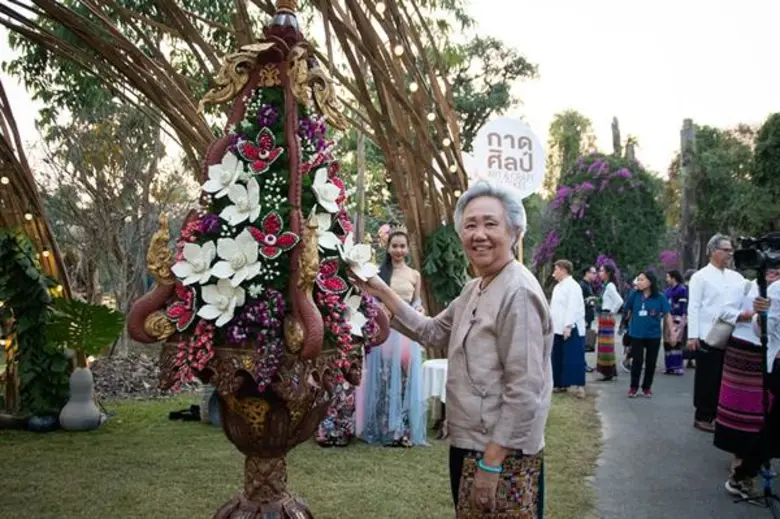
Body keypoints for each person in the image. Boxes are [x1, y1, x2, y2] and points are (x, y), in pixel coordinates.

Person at [356, 180, 552, 517]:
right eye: (470, 225)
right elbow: (431, 331)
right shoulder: (474, 287)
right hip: (468, 444)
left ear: (514, 230)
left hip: (501, 452)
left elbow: (525, 390)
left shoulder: (518, 292)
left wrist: (491, 466)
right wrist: (379, 291)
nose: (479, 234)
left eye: (491, 223)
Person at [355, 226, 427, 448]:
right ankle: (383, 427)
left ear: (407, 249)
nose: (398, 250)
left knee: (404, 377)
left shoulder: (414, 274)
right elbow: (370, 299)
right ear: (388, 248)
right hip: (385, 330)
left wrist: (420, 310)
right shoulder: (378, 273)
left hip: (406, 332)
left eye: (402, 246)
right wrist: (380, 311)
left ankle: (402, 430)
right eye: (394, 246)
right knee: (384, 376)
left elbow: (417, 302)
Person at [715, 268, 780, 498]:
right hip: (747, 350)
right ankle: (743, 465)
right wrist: (753, 314)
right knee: (746, 411)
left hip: (766, 355)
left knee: (767, 418)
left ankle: (752, 464)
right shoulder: (747, 286)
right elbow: (724, 312)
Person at [687, 234, 747, 433]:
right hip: (708, 334)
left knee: (726, 377)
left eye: (731, 250)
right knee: (707, 377)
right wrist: (692, 335)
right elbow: (694, 306)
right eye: (726, 250)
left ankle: (722, 414)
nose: (729, 254)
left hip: (733, 333)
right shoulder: (700, 277)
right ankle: (703, 415)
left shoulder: (736, 278)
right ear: (713, 251)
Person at [622, 271, 673, 397]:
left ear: (650, 282)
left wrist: (671, 332)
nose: (638, 282)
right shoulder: (634, 294)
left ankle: (646, 387)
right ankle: (633, 387)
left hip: (653, 335)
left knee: (651, 362)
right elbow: (626, 310)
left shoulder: (660, 297)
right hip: (637, 334)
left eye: (641, 280)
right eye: (638, 279)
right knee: (637, 361)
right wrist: (626, 327)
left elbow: (667, 315)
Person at [550, 260, 587, 398]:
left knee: (574, 357)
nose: (554, 272)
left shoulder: (573, 286)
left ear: (564, 270)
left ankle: (580, 386)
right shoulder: (558, 287)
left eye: (556, 269)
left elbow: (573, 307)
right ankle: (559, 384)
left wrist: (568, 326)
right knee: (558, 356)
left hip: (571, 327)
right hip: (557, 327)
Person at [596, 264, 624, 381]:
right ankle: (606, 370)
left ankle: (607, 371)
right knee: (604, 344)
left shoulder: (610, 286)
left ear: (608, 273)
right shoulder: (606, 285)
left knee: (606, 345)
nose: (599, 273)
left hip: (606, 315)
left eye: (602, 271)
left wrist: (612, 312)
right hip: (603, 315)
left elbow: (619, 301)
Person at [663, 270, 688, 375]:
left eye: (668, 277)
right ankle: (669, 366)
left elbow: (683, 307)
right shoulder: (667, 291)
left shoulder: (681, 290)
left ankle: (677, 366)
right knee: (667, 342)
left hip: (677, 317)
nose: (666, 279)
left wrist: (683, 319)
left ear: (673, 278)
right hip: (667, 317)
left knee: (676, 341)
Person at [580, 266, 598, 356]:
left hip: (588, 316)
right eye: (593, 273)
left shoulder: (588, 285)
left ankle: (584, 363)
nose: (595, 275)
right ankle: (583, 363)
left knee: (587, 341)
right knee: (585, 341)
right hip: (585, 316)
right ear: (587, 273)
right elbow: (580, 302)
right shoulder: (582, 285)